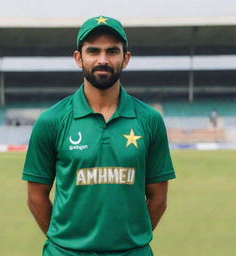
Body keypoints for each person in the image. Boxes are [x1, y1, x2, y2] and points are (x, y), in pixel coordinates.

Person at [22, 15, 176, 256]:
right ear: (78, 58)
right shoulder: (51, 121)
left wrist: (130, 242)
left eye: (112, 51)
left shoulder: (150, 120)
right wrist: (67, 243)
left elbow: (158, 198)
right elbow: (35, 197)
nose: (102, 60)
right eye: (93, 51)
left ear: (125, 59)